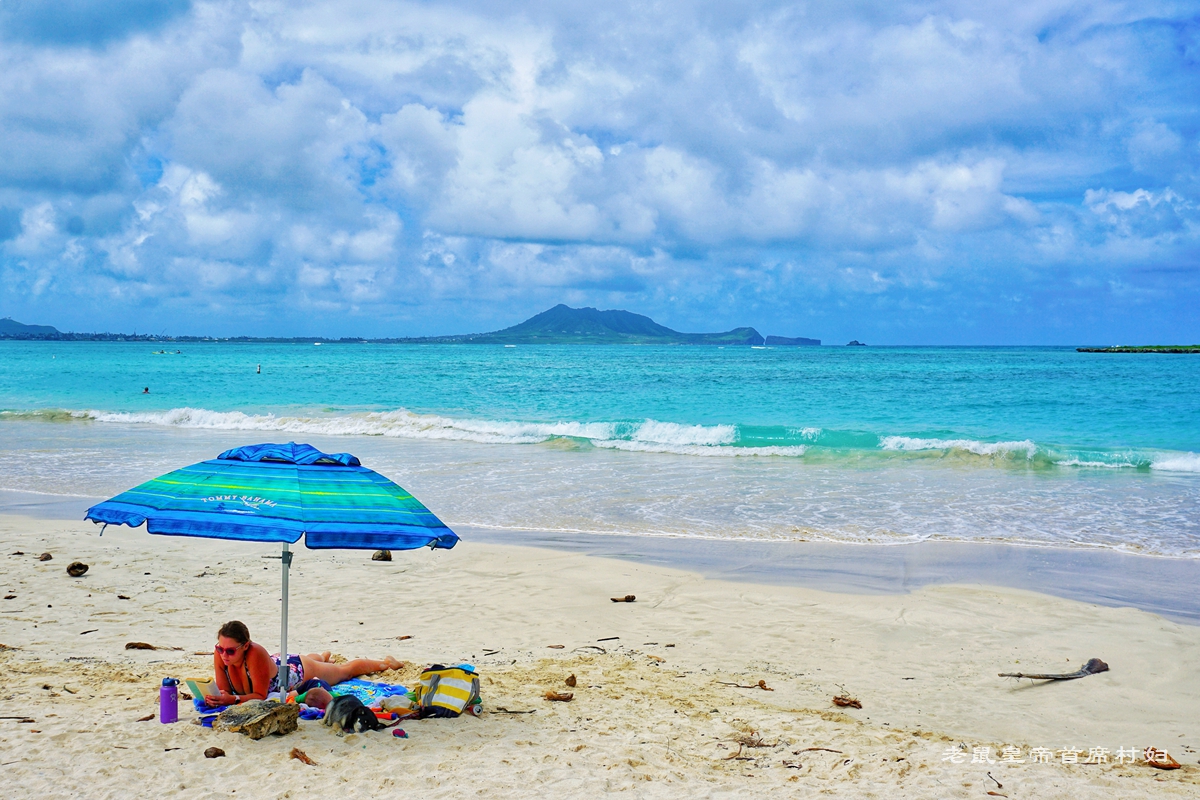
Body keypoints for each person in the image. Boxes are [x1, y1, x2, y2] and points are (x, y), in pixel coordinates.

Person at [206, 620, 403, 706]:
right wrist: (220, 697)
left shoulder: (255, 654)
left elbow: (259, 695)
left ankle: (385, 663)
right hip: (277, 663)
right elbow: (226, 692)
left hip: (296, 671)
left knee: (344, 672)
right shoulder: (221, 654)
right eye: (220, 649)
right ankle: (322, 657)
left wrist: (231, 700)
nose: (224, 654)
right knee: (318, 663)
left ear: (245, 646)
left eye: (230, 650)